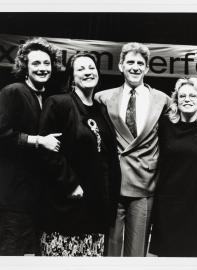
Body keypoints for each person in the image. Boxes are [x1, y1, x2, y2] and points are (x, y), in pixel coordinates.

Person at [38, 52, 121, 256]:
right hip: (68, 204)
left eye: (91, 68)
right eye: (81, 69)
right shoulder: (58, 103)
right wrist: (71, 184)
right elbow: (48, 151)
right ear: (72, 77)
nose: (88, 72)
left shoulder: (101, 109)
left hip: (96, 206)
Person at [94, 42, 171, 256]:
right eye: (130, 62)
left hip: (145, 181)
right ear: (121, 66)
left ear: (147, 68)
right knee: (111, 247)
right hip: (115, 180)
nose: (135, 67)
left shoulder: (163, 100)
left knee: (137, 251)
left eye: (140, 63)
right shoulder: (103, 97)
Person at [0, 37, 62, 255]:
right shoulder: (13, 91)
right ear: (25, 66)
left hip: (36, 195)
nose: (42, 68)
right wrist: (39, 140)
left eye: (46, 63)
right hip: (14, 196)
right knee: (11, 253)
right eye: (36, 63)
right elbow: (2, 135)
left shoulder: (47, 97)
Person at [149, 77, 197, 257]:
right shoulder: (164, 125)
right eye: (182, 96)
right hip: (168, 203)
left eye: (193, 96)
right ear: (176, 101)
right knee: (167, 257)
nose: (187, 99)